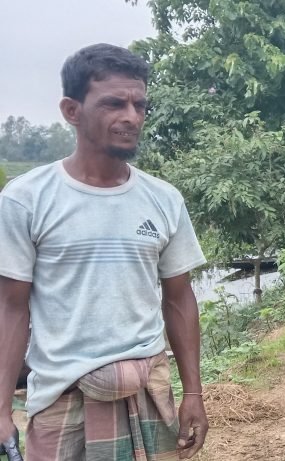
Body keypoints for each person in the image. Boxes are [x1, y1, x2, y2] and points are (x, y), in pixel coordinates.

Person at [0, 43, 209, 459]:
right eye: (114, 103)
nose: (131, 117)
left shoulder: (163, 200)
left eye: (139, 105)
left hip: (149, 393)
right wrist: (2, 408)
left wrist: (194, 393)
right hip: (63, 401)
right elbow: (11, 308)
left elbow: (180, 297)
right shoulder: (26, 200)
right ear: (71, 110)